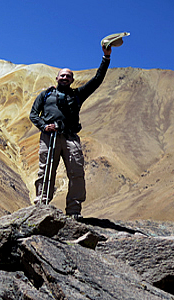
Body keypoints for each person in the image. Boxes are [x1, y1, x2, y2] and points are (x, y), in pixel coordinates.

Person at [29, 45, 112, 219]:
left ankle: (74, 211)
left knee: (76, 172)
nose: (65, 77)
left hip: (70, 137)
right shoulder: (45, 95)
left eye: (69, 76)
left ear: (72, 80)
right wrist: (44, 125)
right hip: (49, 137)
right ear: (57, 78)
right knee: (46, 171)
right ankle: (41, 206)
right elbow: (33, 114)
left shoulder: (77, 95)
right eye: (63, 75)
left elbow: (96, 80)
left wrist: (106, 58)